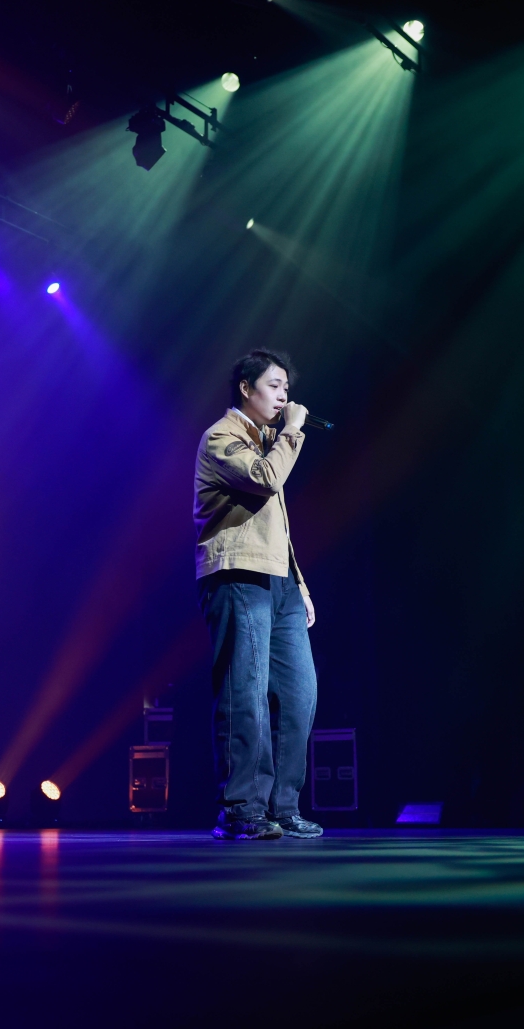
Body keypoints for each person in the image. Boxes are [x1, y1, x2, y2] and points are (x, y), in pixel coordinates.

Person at [194, 349, 322, 840]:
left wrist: (299, 584)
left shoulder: (271, 442)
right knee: (244, 690)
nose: (284, 396)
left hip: (279, 579)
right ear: (246, 388)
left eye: (287, 388)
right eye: (274, 386)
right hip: (238, 572)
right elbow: (266, 480)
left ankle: (283, 807)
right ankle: (241, 808)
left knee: (299, 693)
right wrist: (294, 431)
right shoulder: (222, 437)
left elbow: (277, 528)